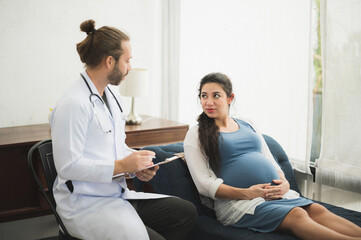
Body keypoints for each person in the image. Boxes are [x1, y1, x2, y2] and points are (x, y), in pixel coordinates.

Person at [50, 19, 197, 240]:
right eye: (127, 60)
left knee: (185, 213)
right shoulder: (73, 104)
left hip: (114, 194)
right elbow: (68, 167)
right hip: (85, 204)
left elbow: (113, 146)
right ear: (110, 61)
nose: (130, 67)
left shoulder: (110, 95)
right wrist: (122, 165)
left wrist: (135, 164)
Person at [183, 72, 361, 240]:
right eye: (204, 96)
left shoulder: (247, 123)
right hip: (238, 203)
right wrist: (247, 193)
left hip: (275, 195)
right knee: (297, 215)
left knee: (317, 210)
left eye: (216, 95)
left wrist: (284, 183)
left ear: (230, 98)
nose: (208, 102)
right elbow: (203, 184)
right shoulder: (196, 133)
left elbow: (268, 158)